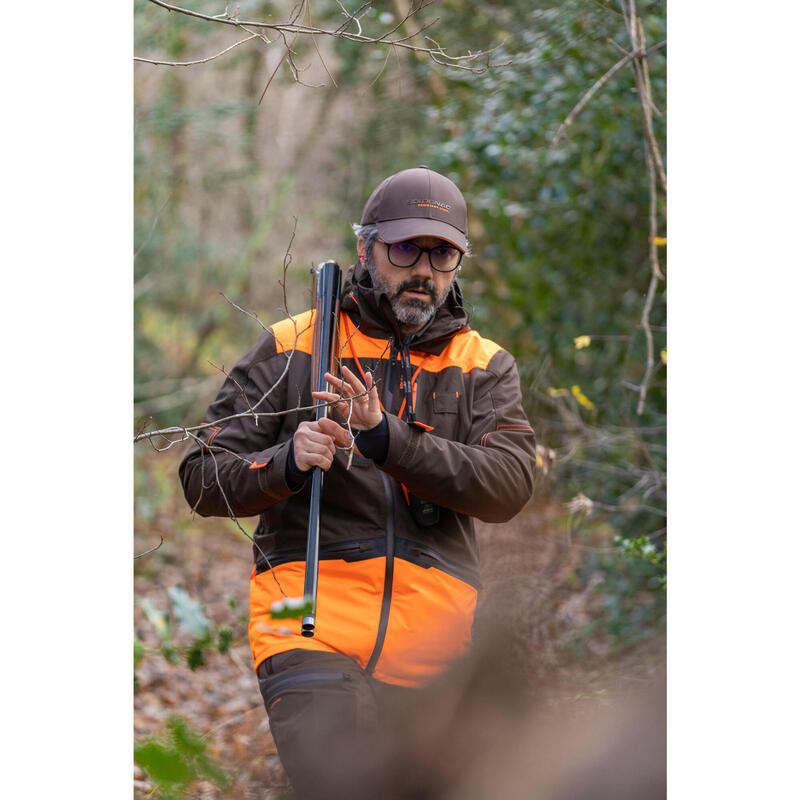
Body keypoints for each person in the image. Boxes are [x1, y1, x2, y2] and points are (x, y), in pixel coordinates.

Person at [178, 166, 537, 798]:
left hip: (435, 642)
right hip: (303, 614)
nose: (423, 269)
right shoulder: (295, 346)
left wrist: (386, 439)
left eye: (442, 253)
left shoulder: (484, 366)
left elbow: (509, 486)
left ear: (458, 264)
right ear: (367, 248)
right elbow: (202, 474)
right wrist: (287, 460)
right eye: (405, 249)